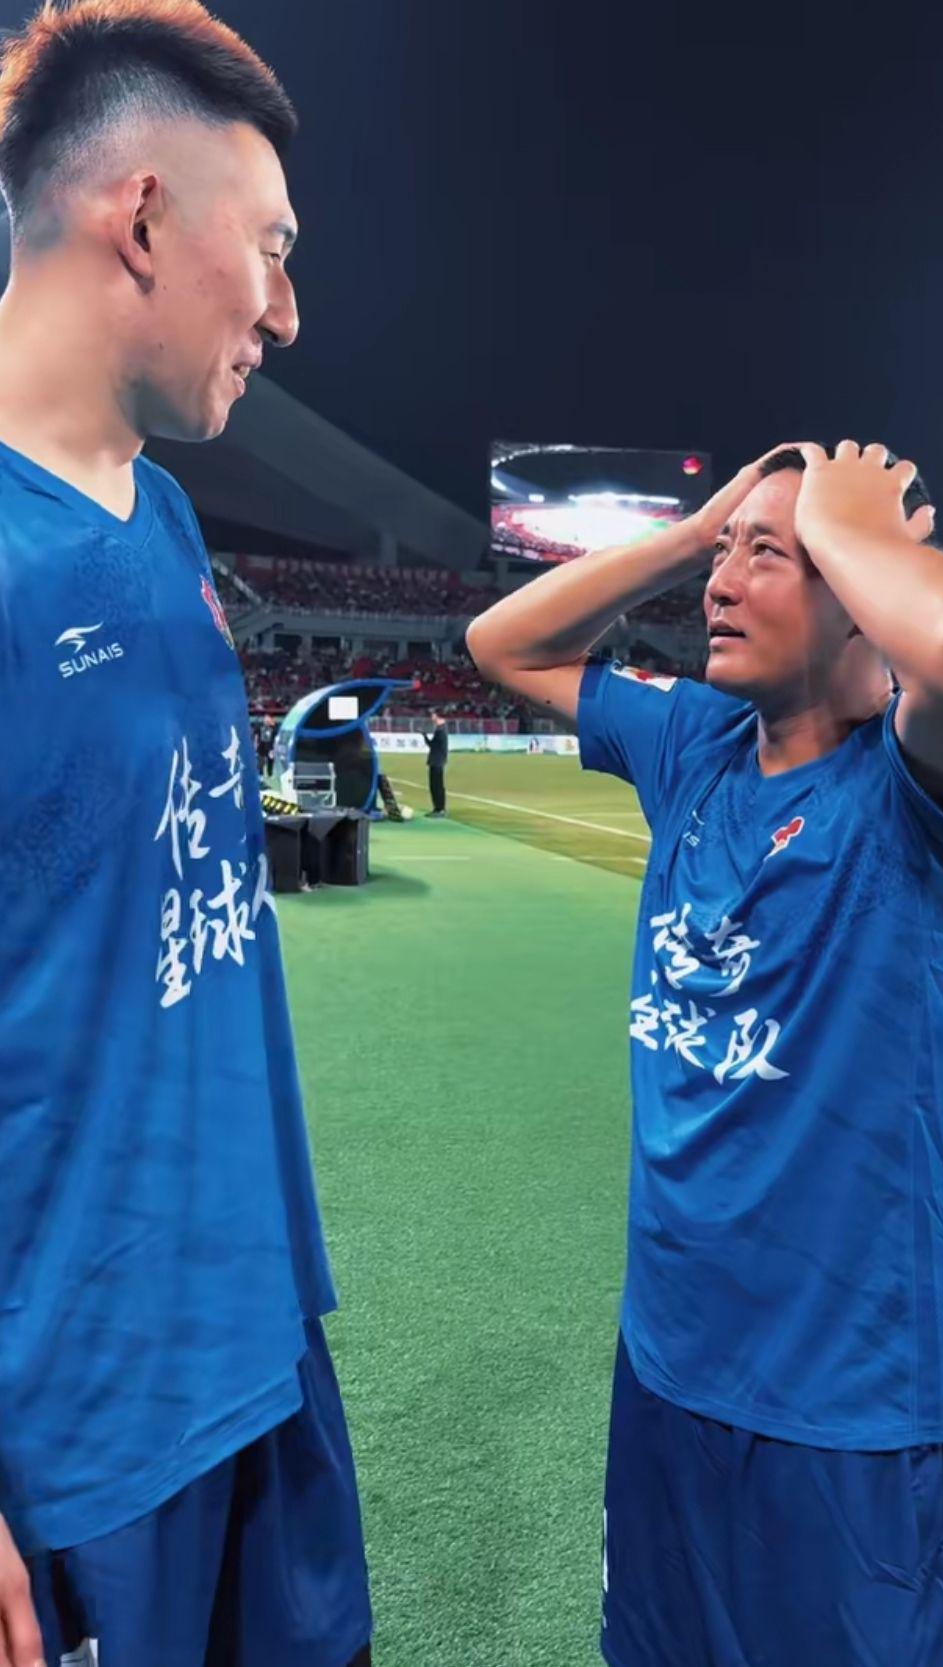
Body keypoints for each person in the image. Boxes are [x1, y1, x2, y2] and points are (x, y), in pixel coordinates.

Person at [467, 439, 943, 1667]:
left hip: (855, 1411)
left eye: (763, 555)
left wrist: (849, 525)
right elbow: (501, 643)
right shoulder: (698, 744)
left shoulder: (913, 791)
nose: (718, 585)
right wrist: (696, 530)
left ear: (852, 589)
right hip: (671, 1367)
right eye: (720, 556)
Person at [0, 5, 372, 1664]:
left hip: (259, 1355)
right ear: (142, 217)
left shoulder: (161, 514)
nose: (287, 311)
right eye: (271, 248)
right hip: (78, 1444)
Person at [423, 709, 449, 816]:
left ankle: (440, 809)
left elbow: (433, 745)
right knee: (434, 786)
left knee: (437, 786)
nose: (431, 717)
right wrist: (424, 736)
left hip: (437, 761)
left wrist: (424, 736)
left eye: (432, 715)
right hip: (436, 761)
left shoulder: (441, 730)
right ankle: (437, 808)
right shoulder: (440, 729)